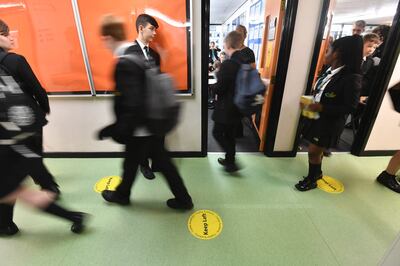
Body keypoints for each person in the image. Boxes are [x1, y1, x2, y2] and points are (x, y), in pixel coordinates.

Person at [0, 19, 87, 236]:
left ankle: (66, 210)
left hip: (7, 136)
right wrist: (41, 114)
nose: (11, 37)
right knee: (23, 170)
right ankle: (52, 195)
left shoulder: (13, 59)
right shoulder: (15, 61)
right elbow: (38, 90)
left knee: (11, 184)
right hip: (27, 125)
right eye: (5, 33)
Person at [98, 14, 193, 210]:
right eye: (151, 28)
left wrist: (116, 129)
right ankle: (123, 194)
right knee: (136, 162)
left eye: (103, 40)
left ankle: (183, 200)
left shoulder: (126, 61)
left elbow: (132, 101)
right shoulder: (132, 55)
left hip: (143, 125)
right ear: (140, 29)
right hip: (147, 123)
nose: (154, 33)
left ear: (108, 38)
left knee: (160, 164)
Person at [296, 35, 363, 191]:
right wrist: (310, 102)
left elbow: (351, 108)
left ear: (337, 53)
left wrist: (322, 108)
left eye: (328, 51)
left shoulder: (351, 78)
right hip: (316, 118)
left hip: (329, 123)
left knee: (313, 151)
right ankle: (317, 173)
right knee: (315, 150)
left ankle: (312, 179)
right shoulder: (328, 71)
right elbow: (321, 92)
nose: (325, 54)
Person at [212, 31, 244, 172]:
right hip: (238, 106)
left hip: (226, 107)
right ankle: (229, 160)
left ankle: (232, 162)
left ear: (227, 44)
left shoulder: (229, 64)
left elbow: (219, 89)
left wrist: (215, 81)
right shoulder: (244, 60)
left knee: (217, 133)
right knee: (230, 135)